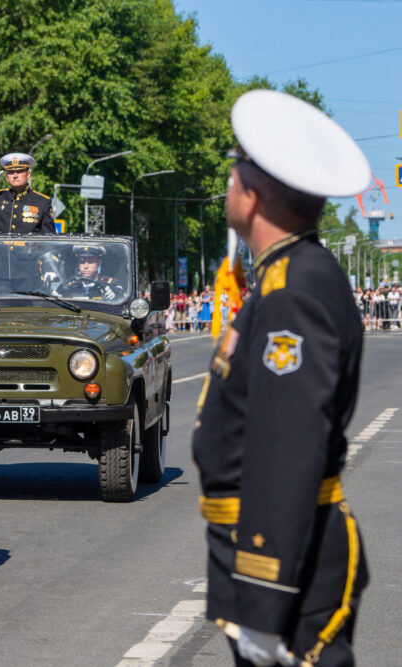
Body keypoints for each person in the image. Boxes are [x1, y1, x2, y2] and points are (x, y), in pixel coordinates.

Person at [192, 90, 370, 666]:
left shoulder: (292, 290)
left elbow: (288, 445)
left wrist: (267, 601)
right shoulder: (280, 276)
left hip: (288, 565)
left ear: (254, 192)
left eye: (234, 167)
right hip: (268, 552)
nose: (228, 181)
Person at [60, 245, 125, 301]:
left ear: (99, 262)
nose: (85, 266)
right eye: (82, 261)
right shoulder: (70, 284)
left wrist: (114, 296)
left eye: (91, 261)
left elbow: (122, 297)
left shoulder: (112, 283)